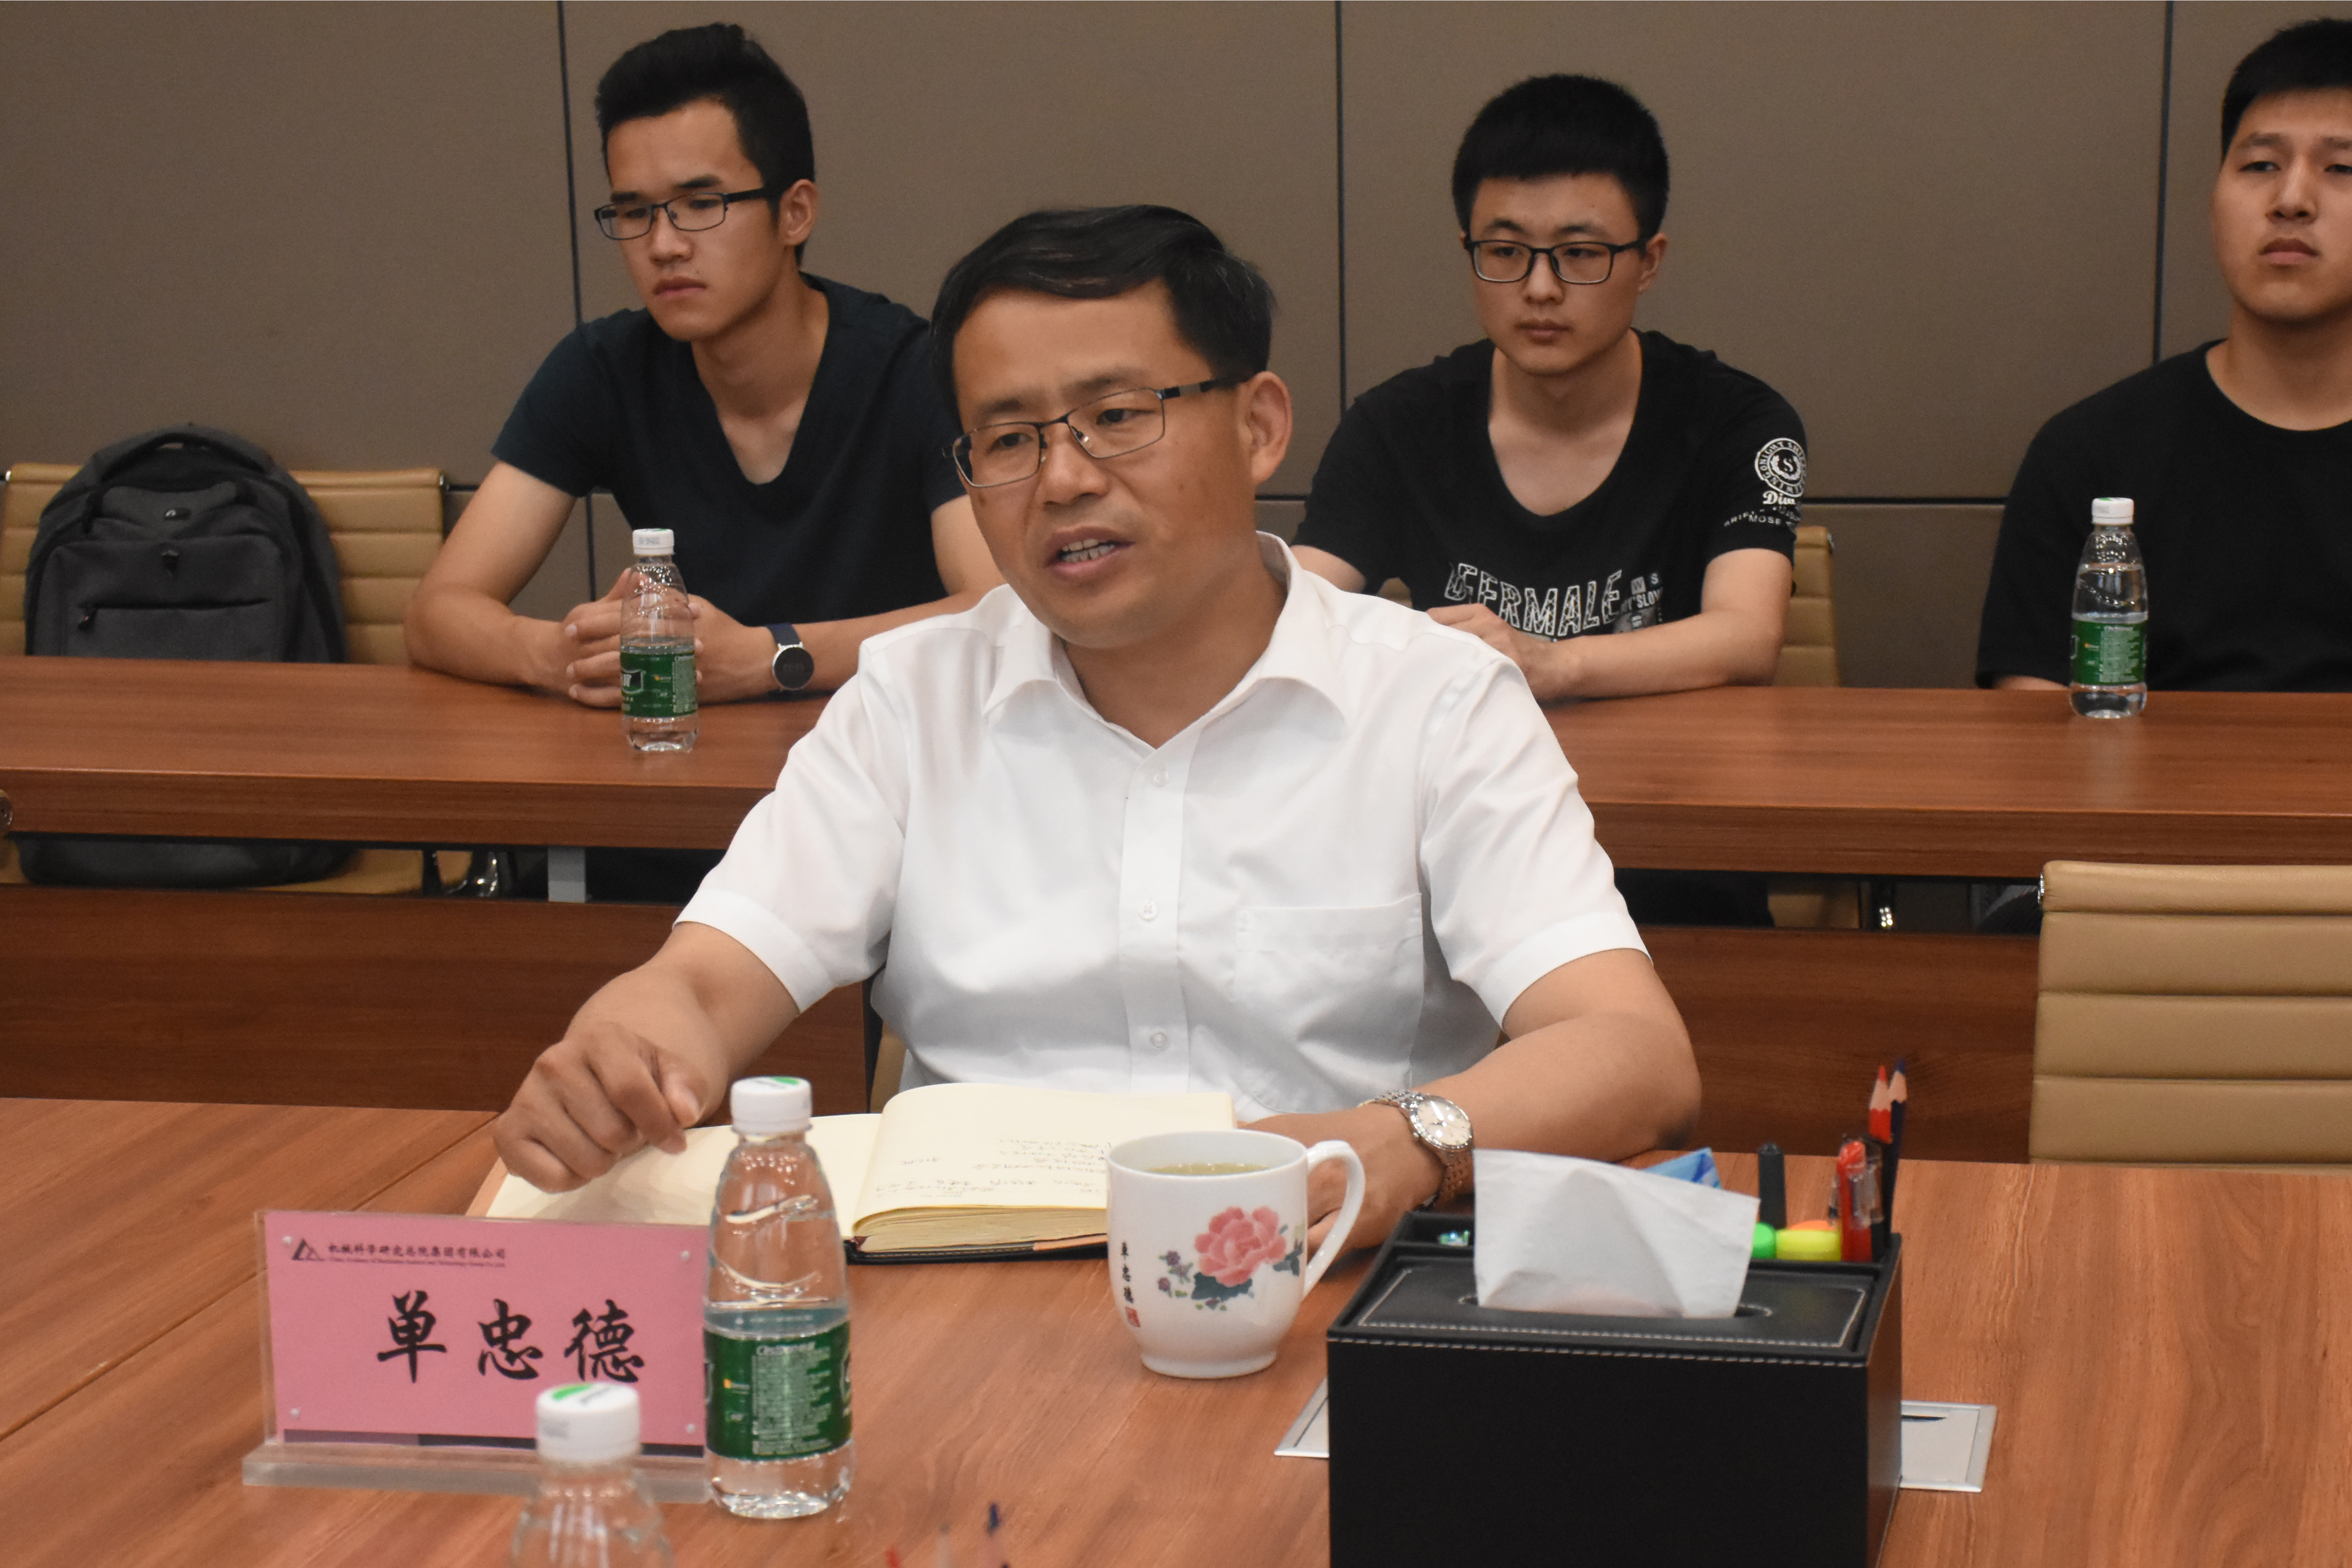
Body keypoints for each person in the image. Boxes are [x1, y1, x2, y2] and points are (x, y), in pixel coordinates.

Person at [491, 205, 1700, 1250]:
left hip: (1329, 1280)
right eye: (1010, 439)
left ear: (1259, 426)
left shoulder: (1435, 702)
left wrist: (1398, 1144)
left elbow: (1632, 1050)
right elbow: (704, 986)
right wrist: (627, 1046)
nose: (1064, 479)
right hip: (975, 1304)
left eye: (1119, 415)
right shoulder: (911, 704)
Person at [404, 22, 998, 710]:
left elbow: (995, 611)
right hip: (692, 754)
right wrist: (558, 654)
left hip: (894, 744)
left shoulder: (916, 372)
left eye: (700, 205)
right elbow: (436, 613)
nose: (663, 245)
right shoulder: (604, 370)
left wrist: (772, 656)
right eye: (634, 212)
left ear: (795, 213)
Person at [1292, 74, 1805, 705]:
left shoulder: (1737, 422)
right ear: (1469, 250)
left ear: (1648, 262)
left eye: (1580, 253)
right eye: (1506, 252)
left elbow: (1749, 636)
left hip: (1670, 759)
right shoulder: (1396, 427)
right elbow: (1300, 619)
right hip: (1466, 761)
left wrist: (1552, 664)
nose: (1540, 288)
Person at [1977, 17, 2352, 693]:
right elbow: (2032, 720)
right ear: (2214, 202)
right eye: (2261, 166)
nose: (2292, 200)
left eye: (2342, 168)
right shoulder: (2091, 453)